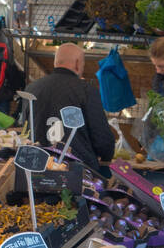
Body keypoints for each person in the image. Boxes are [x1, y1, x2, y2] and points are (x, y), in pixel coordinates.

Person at [24, 43, 115, 171]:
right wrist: (106, 157)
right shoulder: (86, 90)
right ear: (78, 64)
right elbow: (102, 137)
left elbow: (25, 129)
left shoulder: (32, 89)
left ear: (56, 63)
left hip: (36, 166)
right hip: (76, 170)